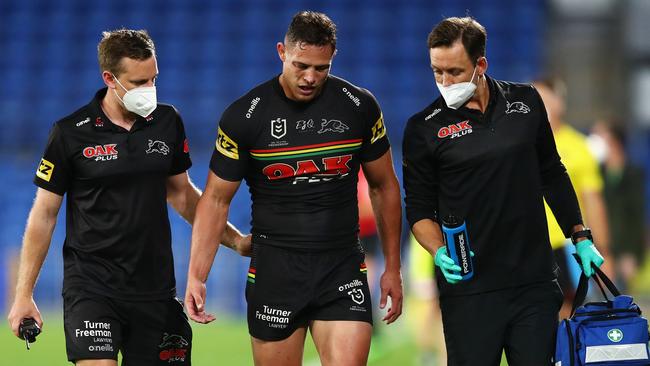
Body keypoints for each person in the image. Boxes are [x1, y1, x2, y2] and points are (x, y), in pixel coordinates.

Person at [6, 29, 250, 365]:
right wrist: (23, 295)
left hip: (155, 290)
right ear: (109, 78)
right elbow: (44, 214)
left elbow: (182, 196)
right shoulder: (70, 133)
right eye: (137, 82)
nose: (148, 89)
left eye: (153, 79)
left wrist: (235, 241)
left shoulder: (167, 121)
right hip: (91, 287)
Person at [185, 11, 403, 366]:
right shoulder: (245, 116)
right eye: (301, 65)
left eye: (322, 68)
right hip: (275, 270)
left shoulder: (359, 107)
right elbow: (215, 199)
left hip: (342, 265)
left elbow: (384, 186)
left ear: (333, 57)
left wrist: (392, 267)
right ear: (281, 53)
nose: (310, 77)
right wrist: (197, 276)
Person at [402, 17, 605, 365]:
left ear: (481, 64)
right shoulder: (423, 129)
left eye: (454, 71)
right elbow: (419, 209)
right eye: (437, 71)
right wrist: (437, 251)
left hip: (534, 283)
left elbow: (552, 173)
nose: (445, 81)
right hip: (469, 290)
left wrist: (580, 235)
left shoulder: (526, 102)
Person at [533, 77, 612, 318]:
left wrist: (604, 250)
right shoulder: (520, 145)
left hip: (565, 243)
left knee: (569, 310)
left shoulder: (579, 147)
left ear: (559, 103)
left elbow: (593, 202)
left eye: (543, 99)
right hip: (530, 244)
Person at [590, 120, 646, 291]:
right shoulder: (595, 172)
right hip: (599, 251)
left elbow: (637, 215)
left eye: (600, 135)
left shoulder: (633, 173)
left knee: (621, 304)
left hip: (624, 251)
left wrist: (632, 253)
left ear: (614, 141)